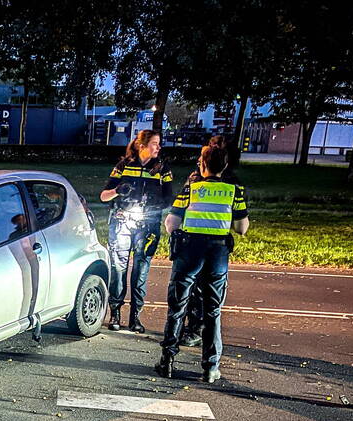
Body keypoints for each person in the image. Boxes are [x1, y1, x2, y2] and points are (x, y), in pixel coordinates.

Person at [155, 143, 249, 383]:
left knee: (177, 307)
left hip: (189, 250)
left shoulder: (192, 188)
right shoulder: (234, 190)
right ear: (225, 166)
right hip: (217, 252)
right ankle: (210, 367)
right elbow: (242, 228)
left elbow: (171, 223)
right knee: (213, 310)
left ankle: (167, 361)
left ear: (203, 164)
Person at [100, 130, 174, 333]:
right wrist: (117, 191)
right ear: (142, 146)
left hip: (148, 226)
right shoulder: (123, 166)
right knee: (118, 268)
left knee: (141, 270)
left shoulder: (162, 169)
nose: (158, 148)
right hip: (122, 223)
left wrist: (154, 204)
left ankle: (135, 317)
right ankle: (115, 313)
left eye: (159, 144)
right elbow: (103, 196)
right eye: (154, 144)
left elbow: (169, 199)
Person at [180, 136, 239, 347]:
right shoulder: (195, 179)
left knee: (198, 293)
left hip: (206, 246)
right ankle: (197, 334)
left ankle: (195, 333)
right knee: (197, 293)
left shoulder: (229, 182)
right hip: (212, 246)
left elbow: (176, 214)